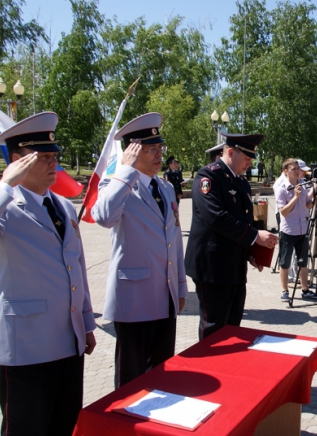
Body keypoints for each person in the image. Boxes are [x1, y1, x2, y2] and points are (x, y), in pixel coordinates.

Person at [0, 112, 96, 435]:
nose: (54, 164)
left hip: (68, 344)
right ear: (17, 161)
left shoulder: (62, 207)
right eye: (44, 158)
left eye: (55, 156)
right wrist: (6, 183)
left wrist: (87, 323)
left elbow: (76, 268)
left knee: (62, 426)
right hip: (24, 349)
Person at [91, 112, 188, 388]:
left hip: (164, 295)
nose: (159, 155)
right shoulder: (116, 184)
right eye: (150, 149)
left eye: (160, 148)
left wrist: (180, 287)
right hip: (133, 300)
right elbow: (104, 216)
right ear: (133, 152)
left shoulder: (166, 188)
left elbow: (174, 241)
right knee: (131, 379)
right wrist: (125, 170)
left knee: (161, 374)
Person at [185, 132, 278, 340]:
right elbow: (216, 218)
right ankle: (208, 369)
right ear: (229, 152)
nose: (249, 164)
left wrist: (251, 253)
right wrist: (255, 236)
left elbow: (246, 220)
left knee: (233, 326)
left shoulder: (242, 182)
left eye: (251, 159)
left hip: (234, 266)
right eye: (246, 158)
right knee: (215, 327)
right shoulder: (208, 177)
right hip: (212, 267)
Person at [275, 158, 317, 302]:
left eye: (297, 169)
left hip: (302, 229)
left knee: (303, 262)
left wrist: (315, 195)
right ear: (286, 171)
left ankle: (305, 290)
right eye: (293, 169)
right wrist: (295, 197)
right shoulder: (282, 187)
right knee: (285, 262)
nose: (297, 171)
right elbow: (283, 212)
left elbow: (307, 205)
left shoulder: (303, 184)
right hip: (288, 230)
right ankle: (284, 291)